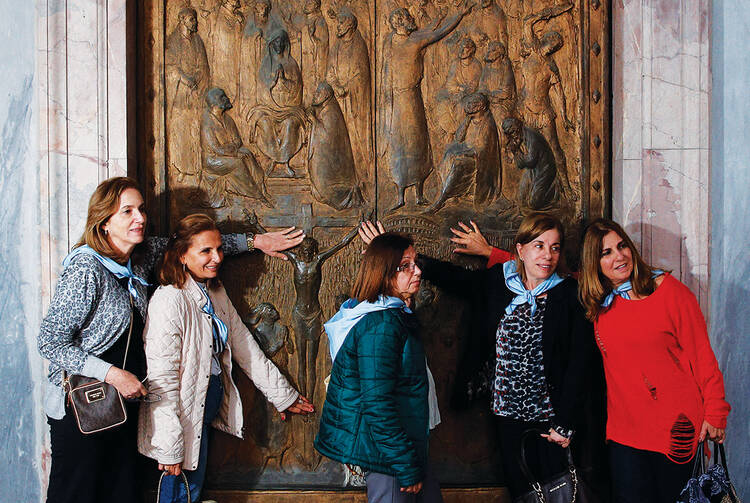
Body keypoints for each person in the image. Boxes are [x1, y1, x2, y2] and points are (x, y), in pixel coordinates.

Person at [37, 176, 305, 503]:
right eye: (127, 212)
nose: (140, 218)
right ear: (104, 222)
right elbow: (50, 341)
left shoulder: (141, 255)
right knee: (76, 494)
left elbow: (192, 245)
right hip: (84, 404)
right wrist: (112, 374)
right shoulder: (86, 268)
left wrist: (256, 243)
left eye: (141, 209)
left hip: (124, 404)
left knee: (121, 493)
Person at [357, 215, 600, 499]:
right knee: (525, 493)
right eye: (539, 246)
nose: (548, 255)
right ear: (521, 250)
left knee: (562, 491)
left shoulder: (571, 294)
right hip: (508, 415)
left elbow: (580, 364)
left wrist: (565, 423)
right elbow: (455, 279)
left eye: (555, 247)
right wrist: (397, 257)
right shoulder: (501, 281)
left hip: (552, 419)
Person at [138, 214, 314, 502]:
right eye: (205, 251)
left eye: (219, 249)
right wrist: (168, 446)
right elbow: (162, 379)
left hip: (204, 404)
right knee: (180, 493)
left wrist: (283, 395)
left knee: (191, 490)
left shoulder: (214, 291)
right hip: (179, 415)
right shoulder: (169, 300)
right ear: (182, 255)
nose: (217, 257)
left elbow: (244, 345)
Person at [578, 219, 730, 503]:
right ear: (594, 264)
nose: (619, 256)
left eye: (622, 245)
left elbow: (702, 356)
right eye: (606, 252)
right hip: (625, 435)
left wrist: (716, 411)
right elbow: (544, 270)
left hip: (676, 430)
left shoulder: (669, 292)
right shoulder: (600, 304)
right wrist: (497, 255)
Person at [315, 232, 442, 502]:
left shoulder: (394, 315)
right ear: (384, 274)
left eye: (415, 262)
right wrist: (405, 464)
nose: (417, 271)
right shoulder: (381, 326)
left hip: (402, 448)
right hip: (391, 458)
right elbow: (377, 405)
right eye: (405, 266)